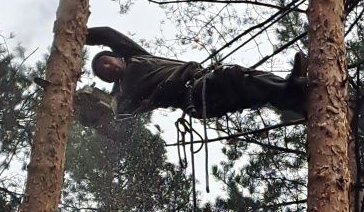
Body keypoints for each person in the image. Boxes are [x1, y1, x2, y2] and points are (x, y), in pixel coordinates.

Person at [77, 27, 306, 136]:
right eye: (102, 72)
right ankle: (288, 94)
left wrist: (77, 33)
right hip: (194, 95)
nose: (107, 69)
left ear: (117, 56)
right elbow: (119, 126)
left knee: (247, 79)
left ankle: (292, 99)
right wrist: (94, 117)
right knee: (233, 77)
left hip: (202, 83)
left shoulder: (136, 56)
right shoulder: (123, 94)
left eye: (105, 62)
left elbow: (107, 34)